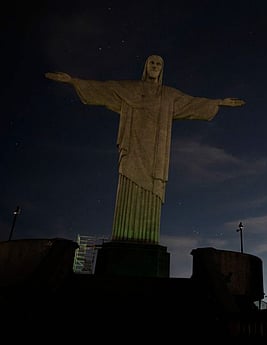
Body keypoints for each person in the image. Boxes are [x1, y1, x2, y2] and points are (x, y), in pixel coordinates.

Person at [45, 54, 245, 244]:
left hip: (155, 155)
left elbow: (192, 103)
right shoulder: (129, 89)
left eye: (158, 64)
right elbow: (104, 88)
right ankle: (123, 239)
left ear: (162, 69)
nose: (155, 67)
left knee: (151, 189)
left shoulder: (168, 95)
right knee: (128, 185)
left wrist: (218, 102)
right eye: (152, 63)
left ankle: (146, 240)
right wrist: (74, 81)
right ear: (145, 66)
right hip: (132, 146)